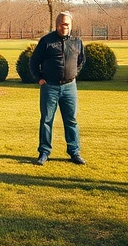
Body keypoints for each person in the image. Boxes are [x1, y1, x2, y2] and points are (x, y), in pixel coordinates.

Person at [29, 11, 86, 166]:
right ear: (57, 24)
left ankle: (74, 151)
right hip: (50, 87)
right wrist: (39, 79)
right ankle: (44, 152)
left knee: (71, 120)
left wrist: (73, 74)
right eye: (62, 24)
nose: (64, 27)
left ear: (71, 25)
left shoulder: (77, 42)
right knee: (47, 119)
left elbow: (81, 60)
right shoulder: (46, 41)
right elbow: (33, 62)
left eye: (67, 24)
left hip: (69, 87)